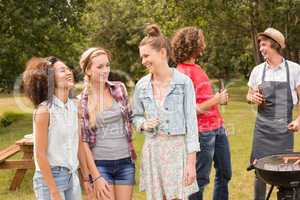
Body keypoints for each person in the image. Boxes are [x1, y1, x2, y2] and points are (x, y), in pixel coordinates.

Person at [132, 24, 200, 200]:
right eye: (142, 57)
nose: (143, 61)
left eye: (146, 55)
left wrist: (191, 164)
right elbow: (136, 116)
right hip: (153, 150)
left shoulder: (184, 83)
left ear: (162, 53)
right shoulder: (141, 85)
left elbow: (192, 124)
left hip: (177, 150)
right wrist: (143, 124)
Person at [171, 27, 232, 200]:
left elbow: (203, 100)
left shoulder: (196, 68)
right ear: (194, 43)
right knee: (199, 180)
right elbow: (189, 111)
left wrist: (218, 99)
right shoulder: (182, 73)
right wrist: (216, 100)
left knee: (225, 173)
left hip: (217, 128)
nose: (204, 44)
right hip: (202, 133)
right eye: (201, 40)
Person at [246, 27, 300, 199]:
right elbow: (249, 94)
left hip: (284, 131)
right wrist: (251, 97)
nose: (261, 48)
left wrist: (298, 120)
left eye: (263, 44)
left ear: (275, 45)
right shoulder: (257, 70)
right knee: (259, 172)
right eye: (260, 45)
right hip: (262, 131)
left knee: (284, 172)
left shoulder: (294, 70)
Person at [79, 47, 137, 200]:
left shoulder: (119, 88)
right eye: (100, 67)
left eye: (107, 65)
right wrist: (95, 176)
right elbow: (83, 142)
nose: (105, 70)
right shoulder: (82, 100)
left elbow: (131, 118)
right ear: (88, 71)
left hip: (125, 161)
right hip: (100, 164)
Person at [23, 56, 83, 200]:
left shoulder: (74, 106)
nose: (69, 72)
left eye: (68, 69)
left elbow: (78, 144)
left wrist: (86, 179)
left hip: (72, 176)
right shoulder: (45, 111)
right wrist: (54, 191)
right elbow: (40, 154)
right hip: (50, 178)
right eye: (62, 70)